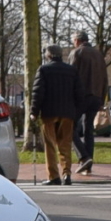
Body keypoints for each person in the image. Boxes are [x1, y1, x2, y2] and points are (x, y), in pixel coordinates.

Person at [32, 47, 79, 185]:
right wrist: (75, 111)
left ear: (49, 55)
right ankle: (67, 174)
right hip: (67, 113)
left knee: (50, 145)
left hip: (49, 113)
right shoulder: (72, 70)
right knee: (65, 144)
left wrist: (34, 112)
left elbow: (37, 92)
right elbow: (79, 93)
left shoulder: (44, 70)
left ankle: (53, 176)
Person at [70, 30, 108, 175]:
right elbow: (105, 79)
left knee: (69, 129)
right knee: (88, 131)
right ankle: (88, 164)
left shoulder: (77, 53)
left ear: (78, 41)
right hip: (96, 97)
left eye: (73, 40)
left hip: (81, 96)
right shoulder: (99, 55)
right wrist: (102, 98)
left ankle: (83, 157)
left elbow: (71, 75)